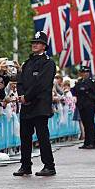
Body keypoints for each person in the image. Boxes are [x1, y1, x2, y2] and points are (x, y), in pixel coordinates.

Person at [14, 31, 56, 177]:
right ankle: (25, 165)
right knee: (25, 137)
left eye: (37, 43)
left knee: (42, 136)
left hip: (40, 105)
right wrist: (21, 95)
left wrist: (27, 96)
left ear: (44, 46)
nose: (34, 45)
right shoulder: (27, 63)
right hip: (26, 105)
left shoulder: (48, 63)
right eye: (33, 43)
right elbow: (20, 81)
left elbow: (42, 84)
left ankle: (49, 165)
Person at [73, 63, 95, 149]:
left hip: (89, 106)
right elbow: (75, 92)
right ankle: (86, 142)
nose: (84, 74)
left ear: (88, 73)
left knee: (90, 124)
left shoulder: (92, 82)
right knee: (85, 124)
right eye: (82, 72)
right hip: (82, 106)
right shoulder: (79, 82)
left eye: (86, 72)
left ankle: (92, 143)